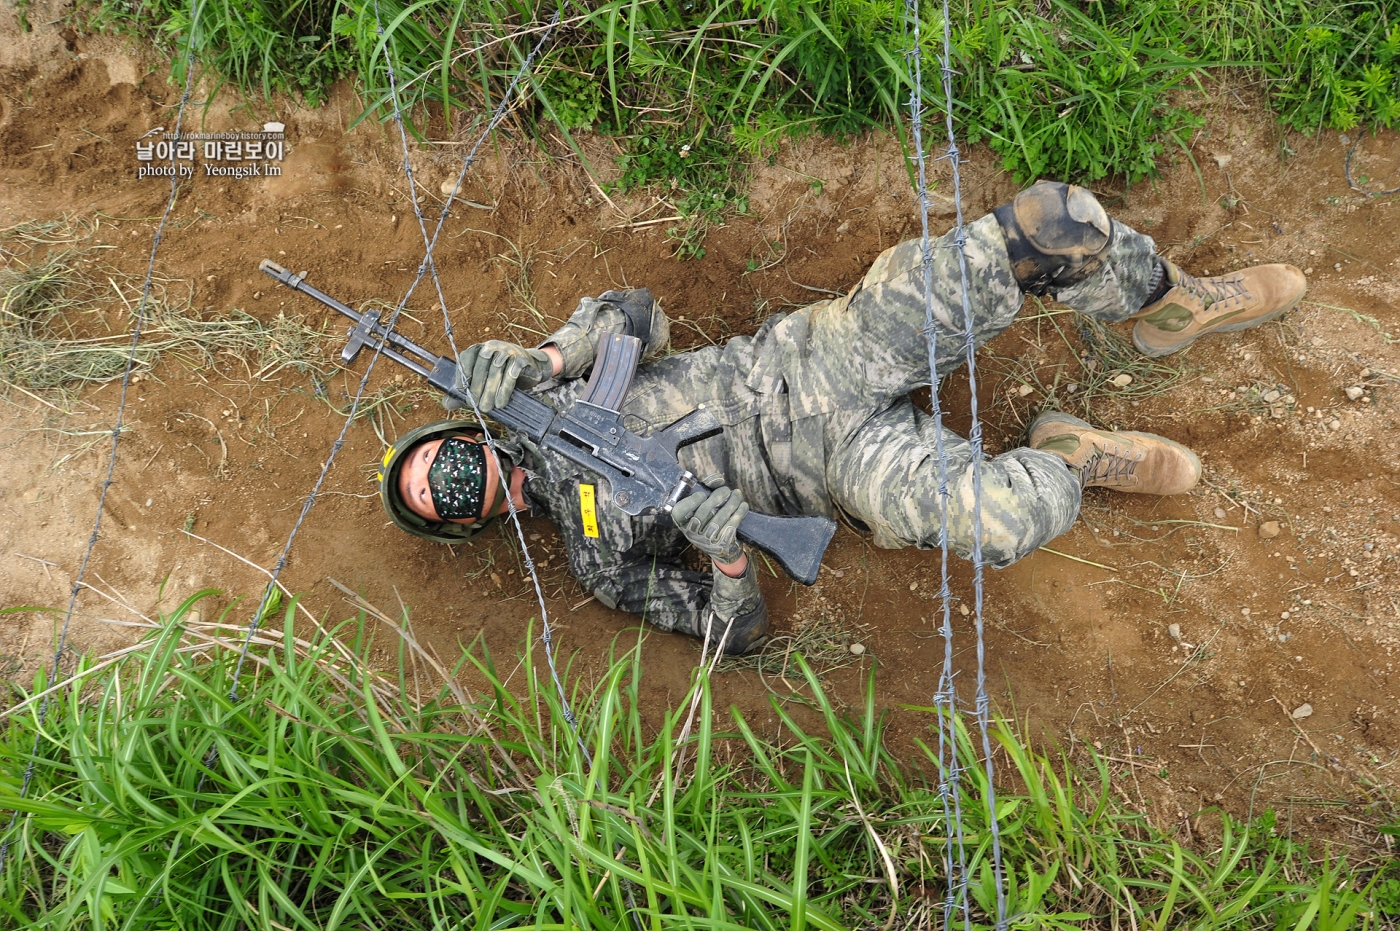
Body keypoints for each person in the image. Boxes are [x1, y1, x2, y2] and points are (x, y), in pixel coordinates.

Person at [378, 182, 1306, 654]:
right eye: (440, 498)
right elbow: (730, 632)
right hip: (838, 466)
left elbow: (640, 312)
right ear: (467, 521)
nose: (454, 477)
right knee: (1001, 521)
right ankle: (1071, 455)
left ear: (460, 433)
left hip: (828, 351)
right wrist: (730, 555)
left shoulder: (549, 389)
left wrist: (544, 356)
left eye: (441, 461)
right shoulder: (595, 560)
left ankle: (1174, 299)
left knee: (1048, 222)